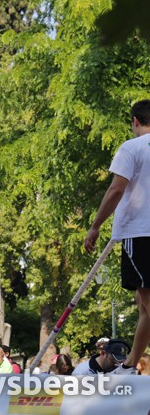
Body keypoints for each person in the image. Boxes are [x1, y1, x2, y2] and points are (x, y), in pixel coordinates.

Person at [85, 100, 150, 374]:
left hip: (140, 233)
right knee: (143, 305)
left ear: (135, 120)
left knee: (147, 304)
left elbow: (116, 190)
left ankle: (131, 365)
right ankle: (131, 364)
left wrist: (96, 225)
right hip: (142, 231)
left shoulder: (132, 147)